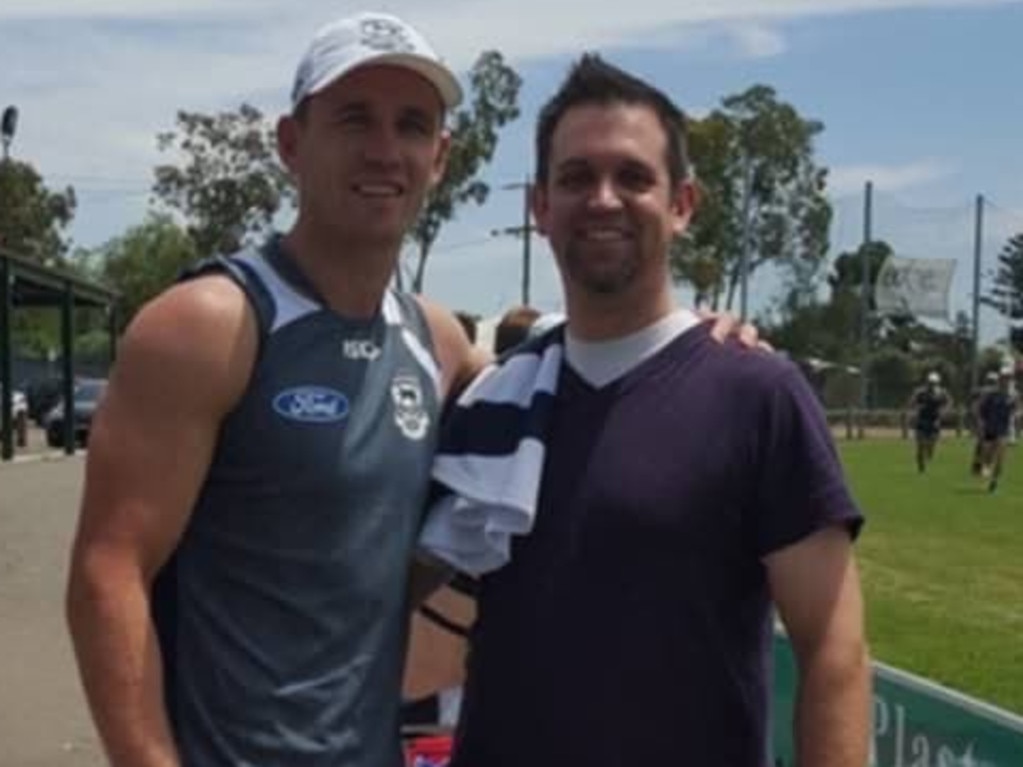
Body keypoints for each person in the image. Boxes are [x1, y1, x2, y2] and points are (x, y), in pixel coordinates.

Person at [64, 12, 489, 767]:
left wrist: (714, 341)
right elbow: (108, 571)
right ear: (292, 143)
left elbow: (573, 392)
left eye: (412, 125)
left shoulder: (438, 343)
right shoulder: (207, 325)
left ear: (440, 157)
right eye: (354, 118)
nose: (385, 150)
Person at [437, 55, 870, 767]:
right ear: (538, 206)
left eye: (633, 176)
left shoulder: (755, 395)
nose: (603, 198)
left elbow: (833, 651)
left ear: (682, 205)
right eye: (576, 177)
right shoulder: (492, 403)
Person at [974, 368, 1018, 493]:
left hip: (1003, 430)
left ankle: (994, 481)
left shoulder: (1013, 395)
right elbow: (980, 410)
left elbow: (1016, 410)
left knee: (1000, 458)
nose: (1006, 380)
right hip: (989, 429)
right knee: (988, 455)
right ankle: (984, 465)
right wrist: (980, 425)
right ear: (1000, 379)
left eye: (1008, 378)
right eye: (1004, 377)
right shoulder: (991, 394)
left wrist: (1016, 420)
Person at [905, 370, 952, 473]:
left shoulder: (941, 393)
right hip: (922, 420)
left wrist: (944, 412)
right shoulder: (920, 393)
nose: (931, 385)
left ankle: (928, 454)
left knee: (931, 444)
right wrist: (914, 410)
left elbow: (948, 403)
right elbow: (911, 403)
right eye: (930, 383)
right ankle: (920, 464)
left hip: (934, 421)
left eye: (934, 383)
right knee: (920, 445)